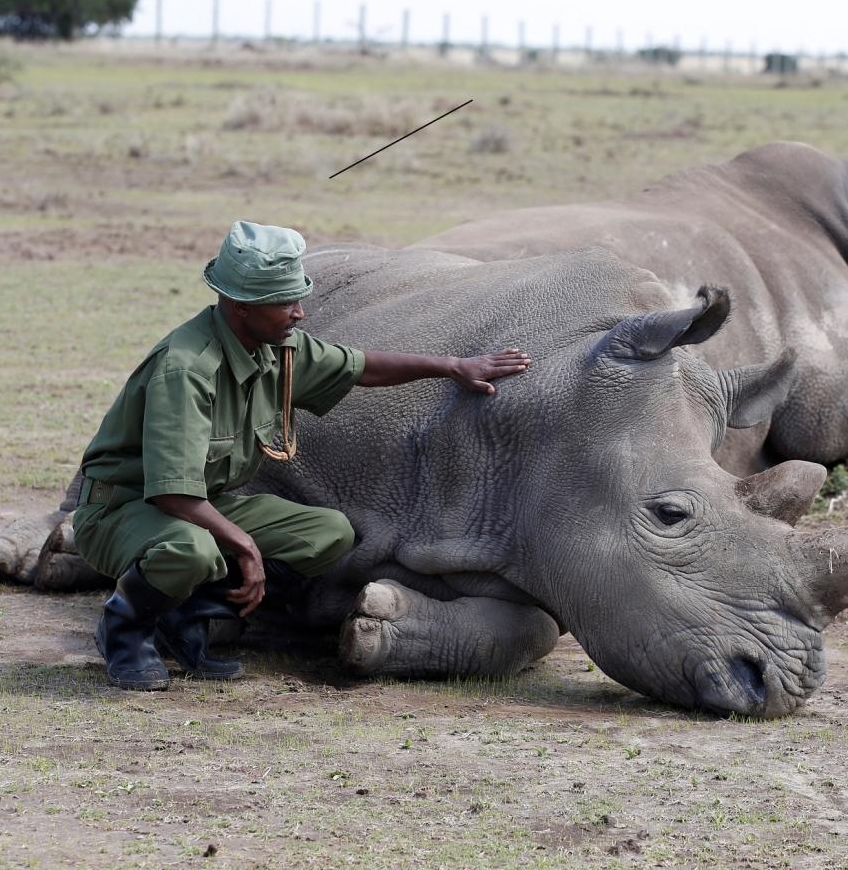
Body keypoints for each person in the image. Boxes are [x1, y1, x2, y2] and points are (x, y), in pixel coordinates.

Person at [72, 222, 529, 690]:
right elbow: (173, 493)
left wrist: (453, 368)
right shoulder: (186, 369)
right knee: (192, 548)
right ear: (242, 305)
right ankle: (123, 631)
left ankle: (187, 617)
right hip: (124, 508)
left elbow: (360, 367)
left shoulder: (276, 350)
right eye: (285, 302)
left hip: (202, 503)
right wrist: (245, 546)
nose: (300, 312)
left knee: (328, 533)